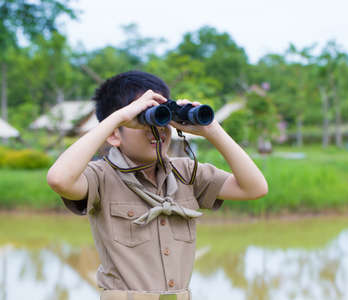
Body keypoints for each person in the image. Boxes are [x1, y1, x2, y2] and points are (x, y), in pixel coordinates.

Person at [47, 70, 268, 300]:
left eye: (161, 117)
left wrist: (212, 130)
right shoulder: (101, 177)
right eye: (144, 119)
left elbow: (254, 188)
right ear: (115, 134)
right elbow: (59, 179)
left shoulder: (186, 172)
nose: (158, 129)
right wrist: (117, 118)